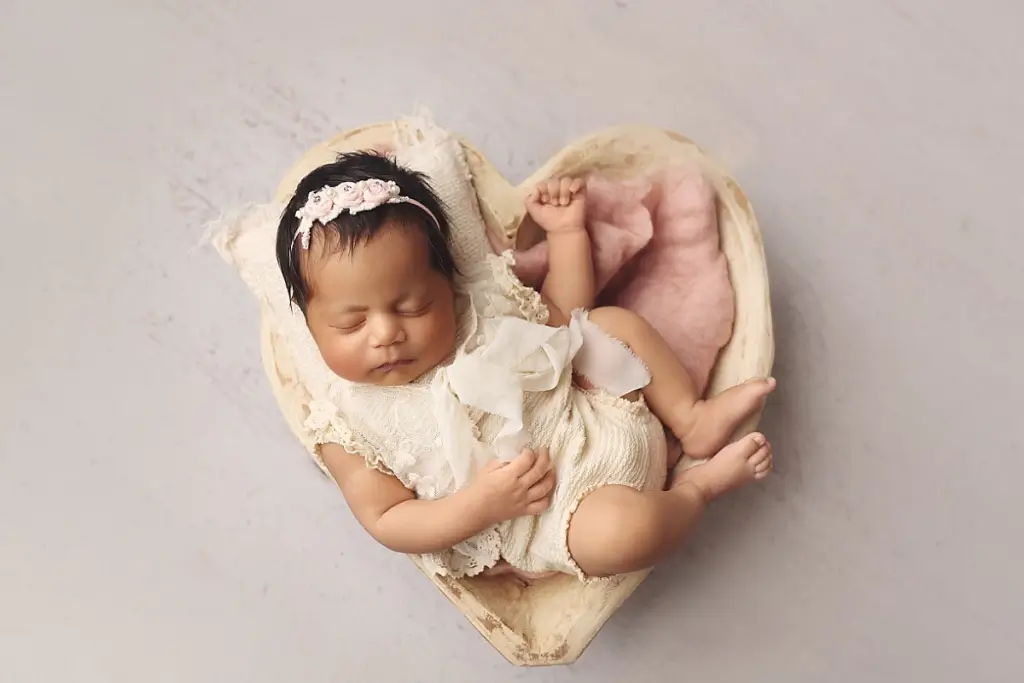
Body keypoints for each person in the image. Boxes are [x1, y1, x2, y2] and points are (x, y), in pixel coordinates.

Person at [275, 151, 774, 580]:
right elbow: (387, 519)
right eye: (351, 323)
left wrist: (567, 233)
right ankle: (698, 489)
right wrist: (482, 505)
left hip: (599, 411)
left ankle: (690, 418)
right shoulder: (346, 424)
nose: (386, 333)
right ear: (312, 325)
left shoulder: (480, 310)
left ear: (445, 285)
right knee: (627, 534)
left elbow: (563, 313)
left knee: (608, 325)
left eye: (413, 307)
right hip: (556, 514)